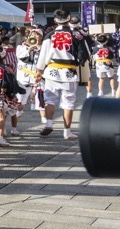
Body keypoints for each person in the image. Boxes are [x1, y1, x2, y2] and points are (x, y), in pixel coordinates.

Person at [34, 10, 86, 140]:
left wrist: (39, 71)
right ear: (69, 19)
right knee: (68, 102)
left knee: (49, 99)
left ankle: (49, 123)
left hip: (52, 71)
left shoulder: (50, 35)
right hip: (69, 72)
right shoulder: (76, 35)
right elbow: (85, 55)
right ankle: (67, 131)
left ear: (55, 20)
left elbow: (42, 55)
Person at [92, 33, 118, 98]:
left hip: (99, 64)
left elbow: (93, 56)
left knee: (101, 79)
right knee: (111, 78)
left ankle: (100, 91)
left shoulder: (94, 48)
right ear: (106, 41)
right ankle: (113, 91)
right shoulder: (108, 48)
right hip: (108, 63)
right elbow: (112, 56)